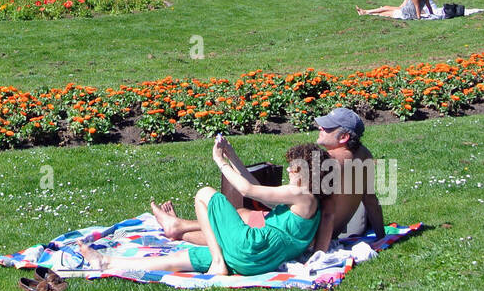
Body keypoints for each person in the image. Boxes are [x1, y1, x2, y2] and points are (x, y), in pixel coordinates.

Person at [79, 139, 326, 277]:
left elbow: (246, 191)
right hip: (259, 260)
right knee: (180, 259)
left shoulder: (301, 194)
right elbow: (255, 186)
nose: (290, 171)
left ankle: (218, 261)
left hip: (252, 247)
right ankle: (107, 263)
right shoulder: (307, 205)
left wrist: (219, 161)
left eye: (294, 167)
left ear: (306, 171)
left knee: (204, 194)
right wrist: (233, 156)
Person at [312, 108, 386, 251]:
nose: (320, 127)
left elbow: (317, 211)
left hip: (312, 240)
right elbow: (370, 200)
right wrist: (381, 238)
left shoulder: (327, 162)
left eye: (327, 127)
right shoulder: (364, 154)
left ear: (343, 137)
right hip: (336, 231)